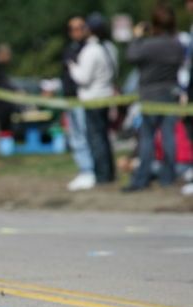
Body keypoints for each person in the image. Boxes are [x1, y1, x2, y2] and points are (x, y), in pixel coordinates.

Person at [123, 4, 184, 192]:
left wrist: (138, 36)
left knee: (147, 138)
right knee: (168, 136)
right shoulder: (177, 44)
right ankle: (168, 176)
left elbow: (130, 56)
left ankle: (141, 178)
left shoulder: (148, 45)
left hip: (149, 93)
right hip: (170, 92)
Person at [68, 13, 118, 185]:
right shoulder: (109, 48)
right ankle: (108, 173)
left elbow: (83, 77)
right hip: (105, 96)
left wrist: (72, 65)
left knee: (95, 138)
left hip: (92, 98)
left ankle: (102, 175)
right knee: (104, 137)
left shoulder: (91, 50)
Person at [63, 16, 96, 191]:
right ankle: (84, 170)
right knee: (75, 137)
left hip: (84, 99)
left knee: (85, 135)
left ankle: (89, 170)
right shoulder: (70, 48)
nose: (75, 32)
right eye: (71, 28)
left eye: (79, 28)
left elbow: (82, 76)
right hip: (70, 98)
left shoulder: (90, 48)